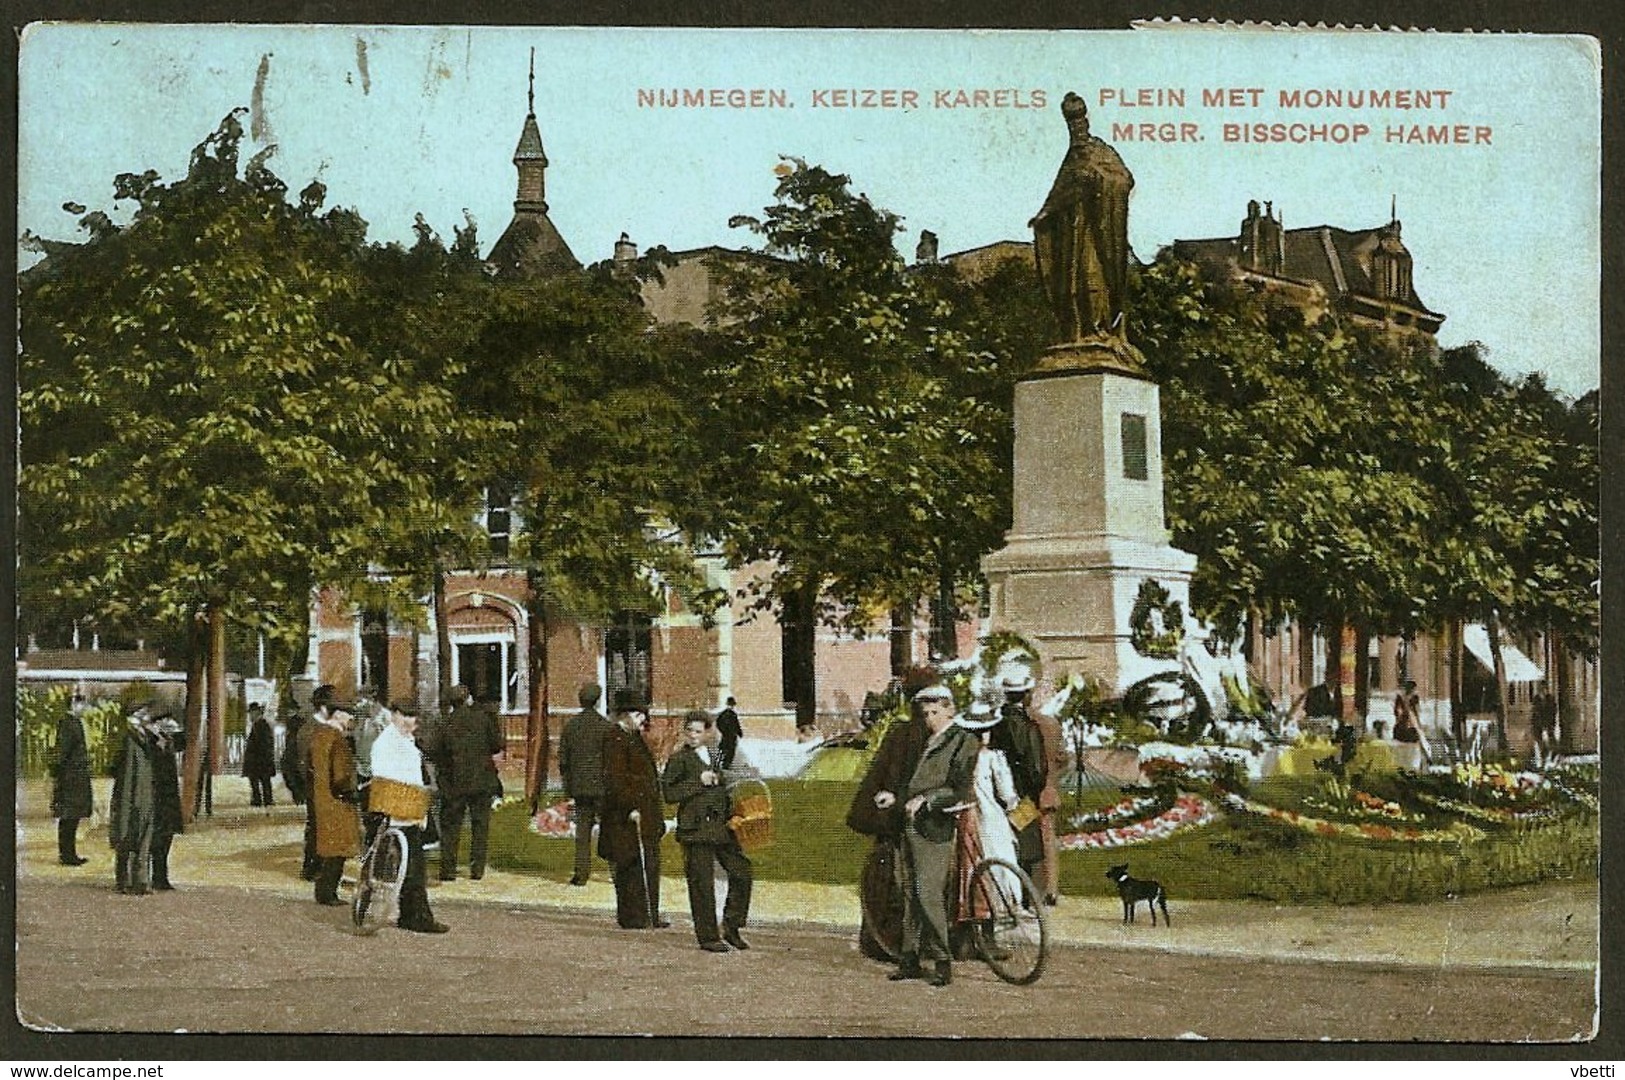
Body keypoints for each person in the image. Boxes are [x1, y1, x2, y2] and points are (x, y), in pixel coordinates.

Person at [892, 684, 980, 989]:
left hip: (935, 825)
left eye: (935, 712)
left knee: (928, 892)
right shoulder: (927, 740)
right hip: (910, 823)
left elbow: (960, 788)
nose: (930, 718)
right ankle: (910, 957)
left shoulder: (963, 741)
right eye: (925, 713)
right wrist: (894, 797)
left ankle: (942, 960)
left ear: (950, 710)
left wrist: (927, 801)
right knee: (908, 891)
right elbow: (912, 780)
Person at [1030, 91, 1135, 343]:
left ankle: (1097, 329)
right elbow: (1061, 190)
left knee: (1092, 276)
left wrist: (1097, 181)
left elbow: (1124, 179)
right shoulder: (1072, 157)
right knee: (1072, 282)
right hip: (1072, 232)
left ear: (1086, 122)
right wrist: (1045, 214)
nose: (1076, 128)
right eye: (1070, 124)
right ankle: (1077, 332)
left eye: (1079, 122)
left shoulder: (1101, 151)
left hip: (1097, 232)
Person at [847, 684, 931, 961]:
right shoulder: (933, 734)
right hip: (923, 815)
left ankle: (887, 939)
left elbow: (883, 773)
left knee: (891, 877)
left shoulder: (900, 734)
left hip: (899, 813)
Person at [663, 710, 753, 953]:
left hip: (721, 826)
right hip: (695, 829)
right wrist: (697, 782)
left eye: (698, 731)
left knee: (742, 871)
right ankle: (708, 936)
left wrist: (732, 809)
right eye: (689, 731)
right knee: (701, 883)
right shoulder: (679, 759)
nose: (692, 735)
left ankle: (732, 925)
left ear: (708, 732)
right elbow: (669, 794)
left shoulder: (715, 754)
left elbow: (725, 785)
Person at [369, 701, 448, 934]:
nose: (409, 722)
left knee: (414, 866)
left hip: (411, 811)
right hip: (398, 812)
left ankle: (411, 914)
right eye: (404, 716)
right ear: (393, 715)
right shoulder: (386, 742)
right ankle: (418, 917)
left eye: (413, 717)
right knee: (412, 868)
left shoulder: (406, 741)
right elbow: (384, 778)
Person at [599, 700, 668, 930]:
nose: (643, 721)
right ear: (625, 715)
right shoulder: (615, 739)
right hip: (626, 817)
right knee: (630, 867)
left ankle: (650, 912)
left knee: (648, 863)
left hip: (645, 812)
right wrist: (630, 807)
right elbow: (616, 780)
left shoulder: (633, 737)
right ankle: (634, 916)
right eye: (639, 715)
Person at [429, 687, 504, 882]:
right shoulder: (483, 720)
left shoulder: (446, 724)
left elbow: (434, 751)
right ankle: (477, 868)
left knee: (451, 827)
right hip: (481, 780)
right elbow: (496, 745)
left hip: (454, 782)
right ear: (468, 699)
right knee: (480, 825)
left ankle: (448, 870)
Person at [994, 673, 1048, 893]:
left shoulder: (995, 725)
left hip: (996, 796)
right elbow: (1037, 770)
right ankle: (1025, 902)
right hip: (1024, 796)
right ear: (1026, 695)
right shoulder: (1029, 728)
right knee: (1024, 852)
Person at [558, 682, 613, 886]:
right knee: (609, 828)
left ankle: (581, 873)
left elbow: (563, 760)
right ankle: (615, 870)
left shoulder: (571, 727)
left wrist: (568, 786)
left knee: (582, 832)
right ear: (597, 700)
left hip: (580, 787)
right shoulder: (606, 726)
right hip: (602, 786)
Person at [310, 703, 361, 906]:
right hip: (338, 801)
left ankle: (323, 890)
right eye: (349, 715)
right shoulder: (338, 740)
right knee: (338, 850)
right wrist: (352, 791)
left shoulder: (319, 736)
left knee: (328, 847)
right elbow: (341, 775)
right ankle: (328, 893)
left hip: (322, 797)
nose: (351, 720)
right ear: (339, 715)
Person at [109, 706, 157, 893]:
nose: (146, 716)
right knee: (127, 837)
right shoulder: (129, 739)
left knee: (144, 840)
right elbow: (128, 774)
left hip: (145, 795)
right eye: (142, 713)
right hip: (132, 796)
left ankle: (142, 880)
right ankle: (126, 881)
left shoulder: (144, 737)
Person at [50, 694, 94, 866]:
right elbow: (62, 752)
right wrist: (61, 774)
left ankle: (69, 853)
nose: (84, 708)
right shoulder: (68, 724)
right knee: (69, 817)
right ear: (74, 704)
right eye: (82, 704)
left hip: (75, 777)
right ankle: (67, 854)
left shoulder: (73, 722)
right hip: (71, 778)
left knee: (72, 817)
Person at [1033, 695, 1069, 905]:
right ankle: (1052, 889)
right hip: (1047, 791)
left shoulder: (1018, 723)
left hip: (1026, 795)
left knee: (1027, 839)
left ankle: (1035, 888)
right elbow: (1063, 758)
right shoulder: (1051, 723)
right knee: (1048, 840)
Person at [298, 685, 337, 880]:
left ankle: (317, 867)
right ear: (323, 708)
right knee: (317, 827)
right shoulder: (310, 730)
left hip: (327, 788)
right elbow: (302, 762)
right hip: (317, 787)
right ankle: (312, 868)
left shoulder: (326, 728)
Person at [147, 712, 184, 891]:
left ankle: (161, 877)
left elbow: (183, 742)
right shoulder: (151, 746)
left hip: (168, 799)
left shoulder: (167, 745)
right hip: (157, 799)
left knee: (166, 838)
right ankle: (156, 876)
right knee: (157, 840)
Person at [243, 702, 277, 807]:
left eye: (251, 713)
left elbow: (264, 744)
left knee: (262, 780)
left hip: (260, 759)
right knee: (260, 780)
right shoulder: (258, 725)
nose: (250, 716)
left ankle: (264, 799)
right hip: (259, 759)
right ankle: (262, 799)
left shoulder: (261, 725)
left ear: (256, 713)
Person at [279, 713, 307, 805]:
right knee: (296, 784)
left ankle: (299, 798)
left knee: (295, 784)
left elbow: (291, 751)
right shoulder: (297, 735)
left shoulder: (294, 736)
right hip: (295, 763)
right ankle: (300, 798)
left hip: (293, 764)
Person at [715, 696, 743, 770]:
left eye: (732, 705)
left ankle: (725, 765)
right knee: (724, 751)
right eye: (731, 705)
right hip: (727, 736)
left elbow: (736, 725)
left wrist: (739, 733)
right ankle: (721, 764)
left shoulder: (732, 714)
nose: (731, 706)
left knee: (729, 751)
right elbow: (719, 724)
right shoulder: (723, 714)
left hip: (731, 736)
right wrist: (724, 731)